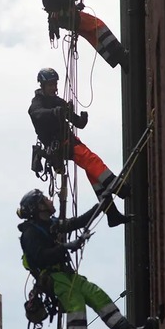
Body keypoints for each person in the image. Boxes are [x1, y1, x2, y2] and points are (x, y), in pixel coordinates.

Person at [17, 189, 157, 329]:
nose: (49, 200)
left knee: (98, 296)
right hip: (54, 278)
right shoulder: (30, 233)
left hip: (67, 275)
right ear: (39, 207)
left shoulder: (50, 223)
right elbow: (40, 257)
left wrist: (100, 205)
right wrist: (67, 246)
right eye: (45, 199)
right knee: (76, 307)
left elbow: (77, 222)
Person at [28, 67, 131, 227]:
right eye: (50, 85)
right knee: (91, 160)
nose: (54, 88)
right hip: (60, 145)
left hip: (68, 141)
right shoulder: (38, 103)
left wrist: (81, 119)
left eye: (55, 84)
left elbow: (75, 121)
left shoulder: (56, 101)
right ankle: (118, 187)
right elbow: (36, 114)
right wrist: (56, 112)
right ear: (42, 85)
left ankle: (112, 214)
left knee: (93, 173)